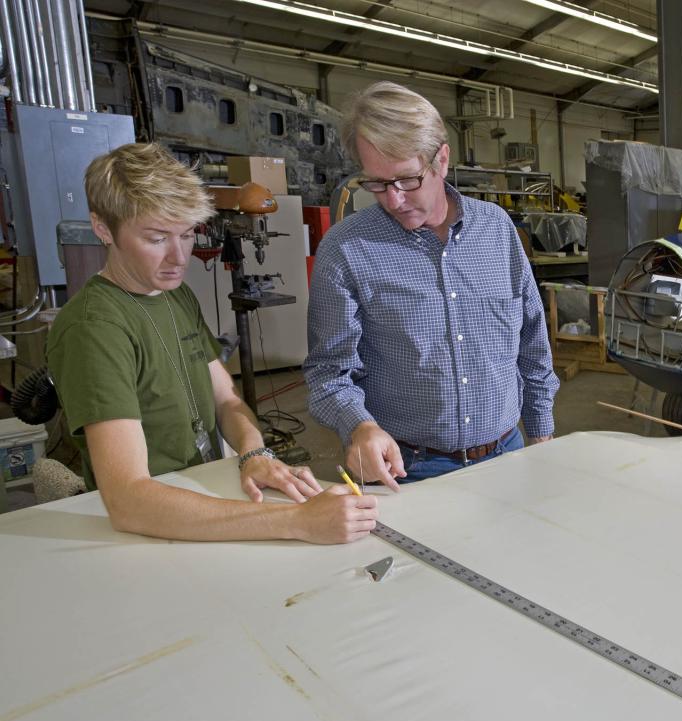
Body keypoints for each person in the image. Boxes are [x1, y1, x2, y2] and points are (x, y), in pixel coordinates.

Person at [46, 142, 377, 544]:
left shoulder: (173, 294)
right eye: (155, 238)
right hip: (150, 527)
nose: (177, 257)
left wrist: (254, 453)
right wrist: (298, 521)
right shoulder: (94, 328)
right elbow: (128, 500)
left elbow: (227, 400)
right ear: (103, 229)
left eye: (186, 235)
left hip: (198, 491)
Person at [305, 81, 559, 489]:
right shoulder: (347, 249)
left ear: (441, 159)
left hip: (508, 453)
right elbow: (329, 373)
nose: (393, 200)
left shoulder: (496, 230)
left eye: (407, 180)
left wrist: (542, 431)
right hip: (409, 470)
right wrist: (358, 426)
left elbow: (532, 339)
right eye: (376, 184)